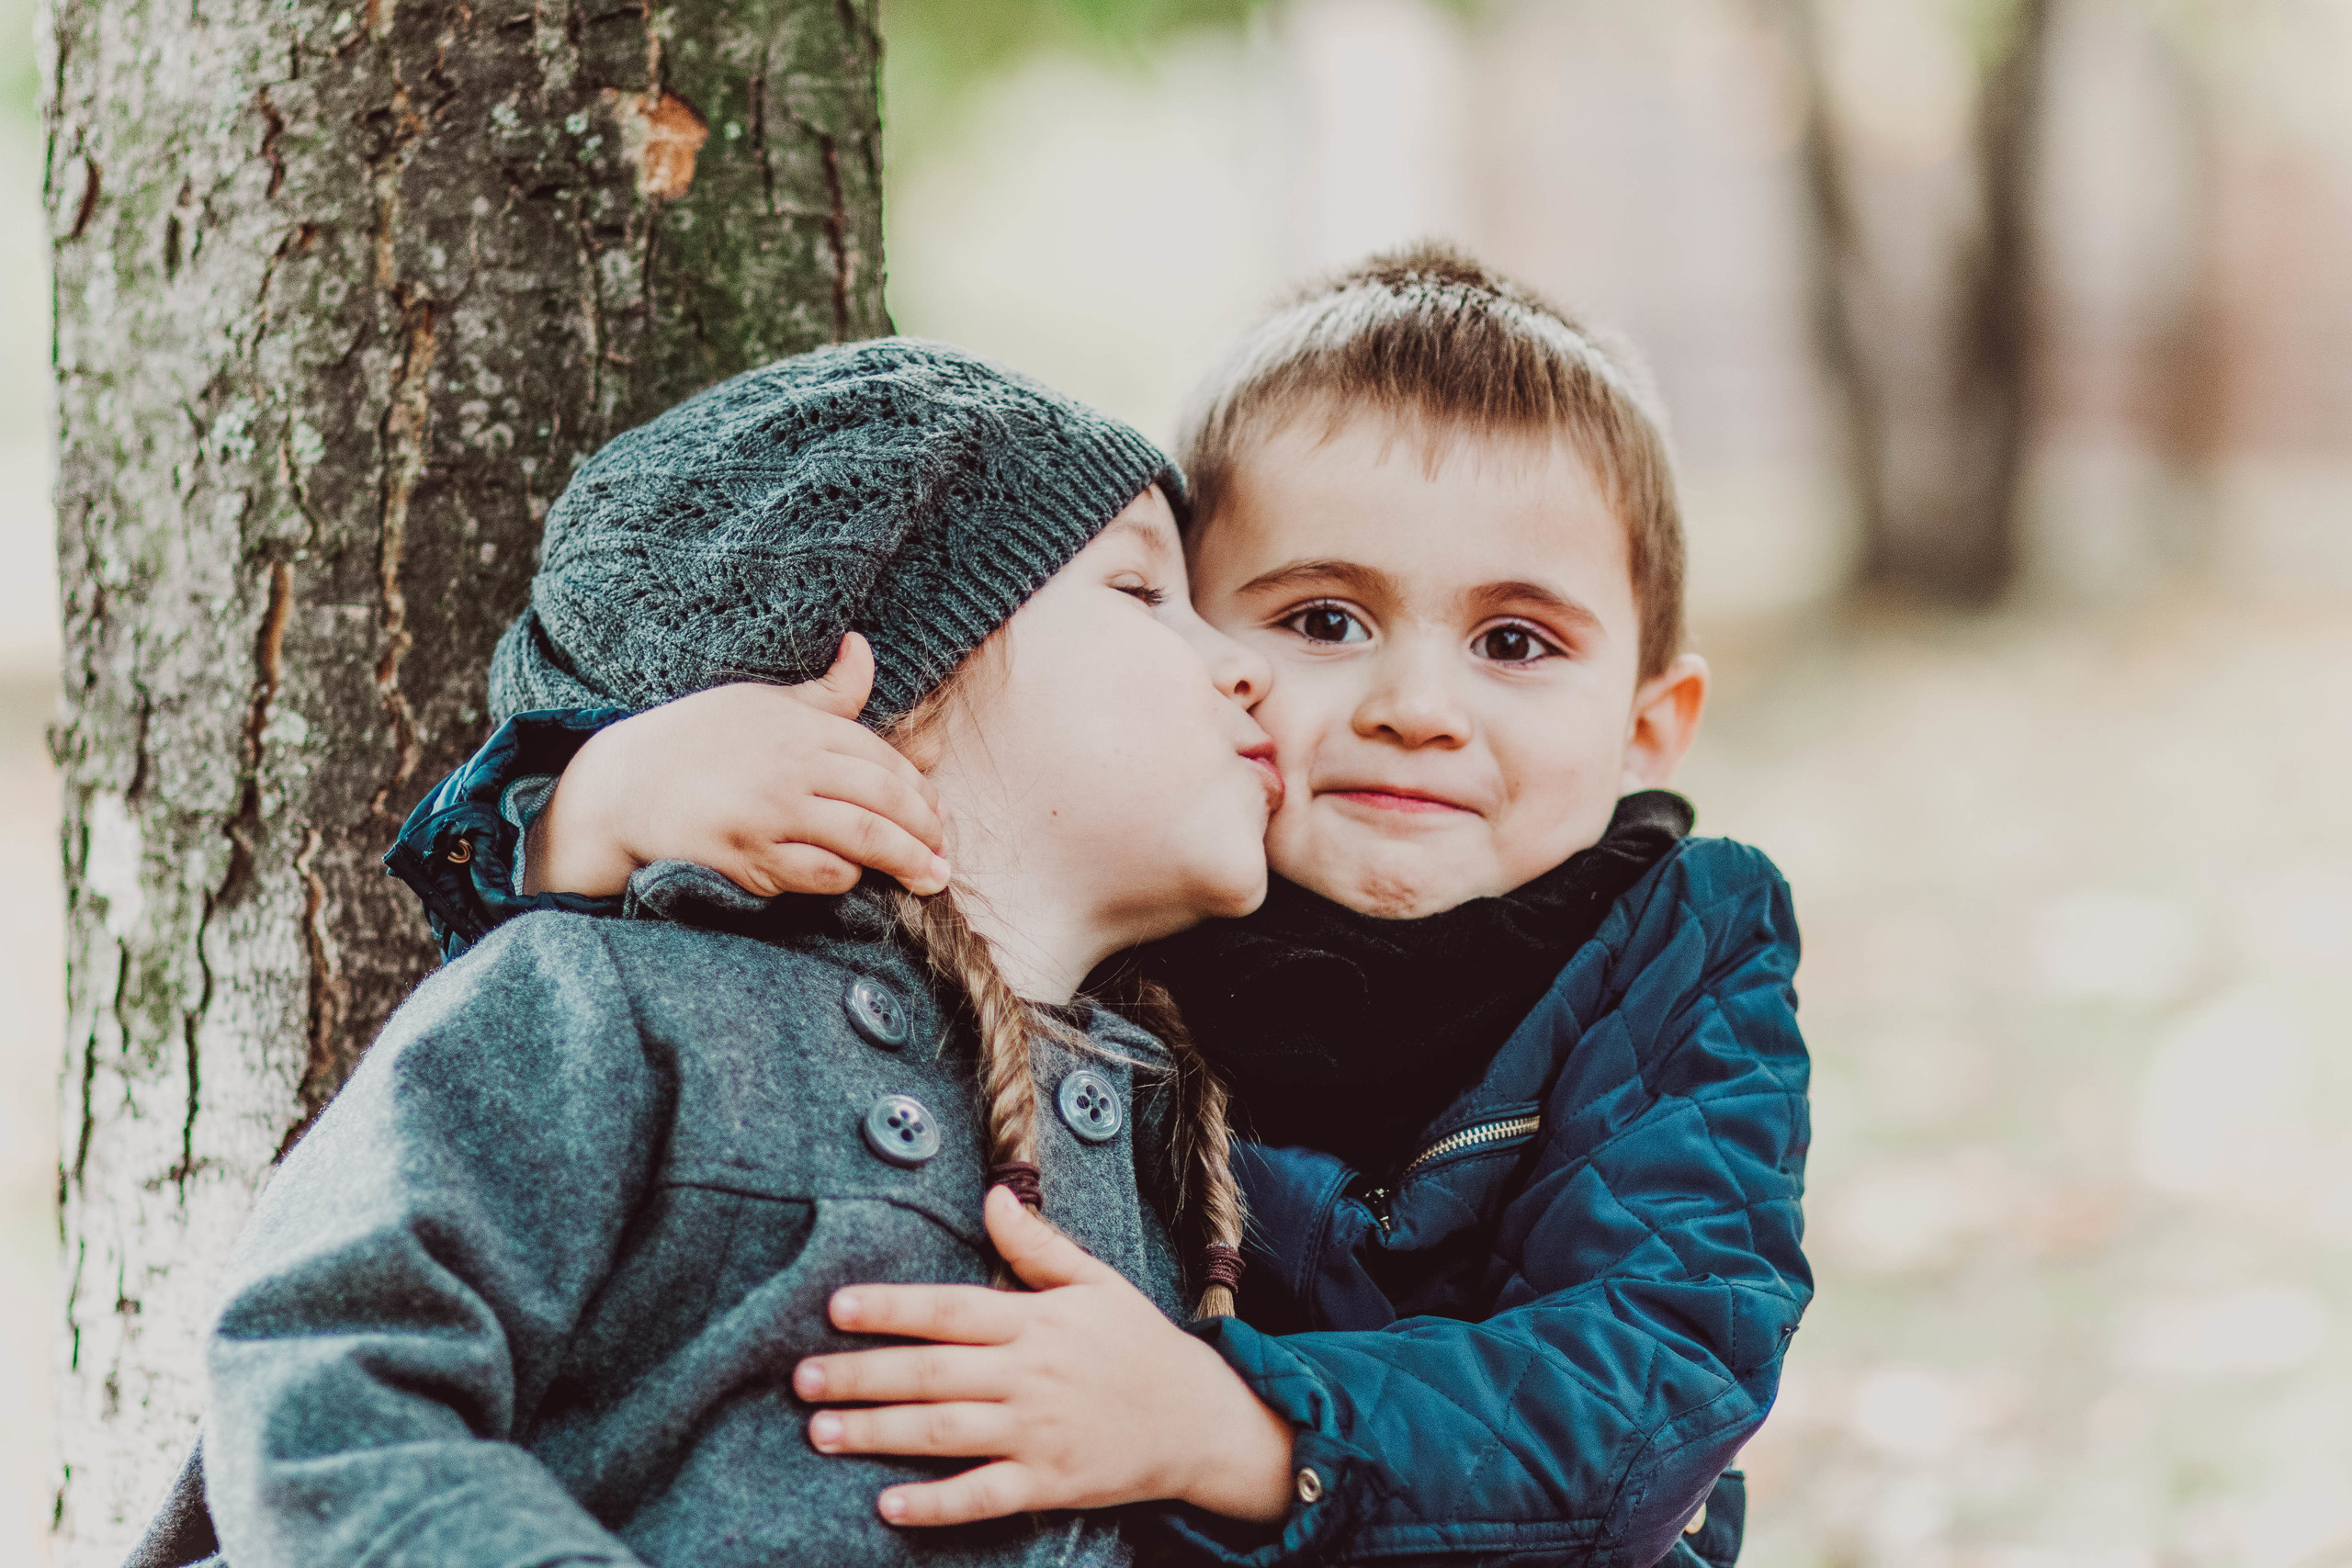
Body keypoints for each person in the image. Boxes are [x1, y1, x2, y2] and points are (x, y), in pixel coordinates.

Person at [386, 246, 1812, 1568]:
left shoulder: (1680, 952)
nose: (1417, 707)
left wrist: (1227, 1426)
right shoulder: (1144, 883)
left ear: (1651, 725)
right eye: (1322, 620)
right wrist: (585, 810)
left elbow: (1660, 1369)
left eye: (1516, 641)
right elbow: (729, 956)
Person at [155, 339, 1309, 1568]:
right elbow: (325, 1388)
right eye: (1142, 592)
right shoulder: (608, 1004)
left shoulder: (1179, 1139)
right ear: (884, 691)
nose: (1250, 667)